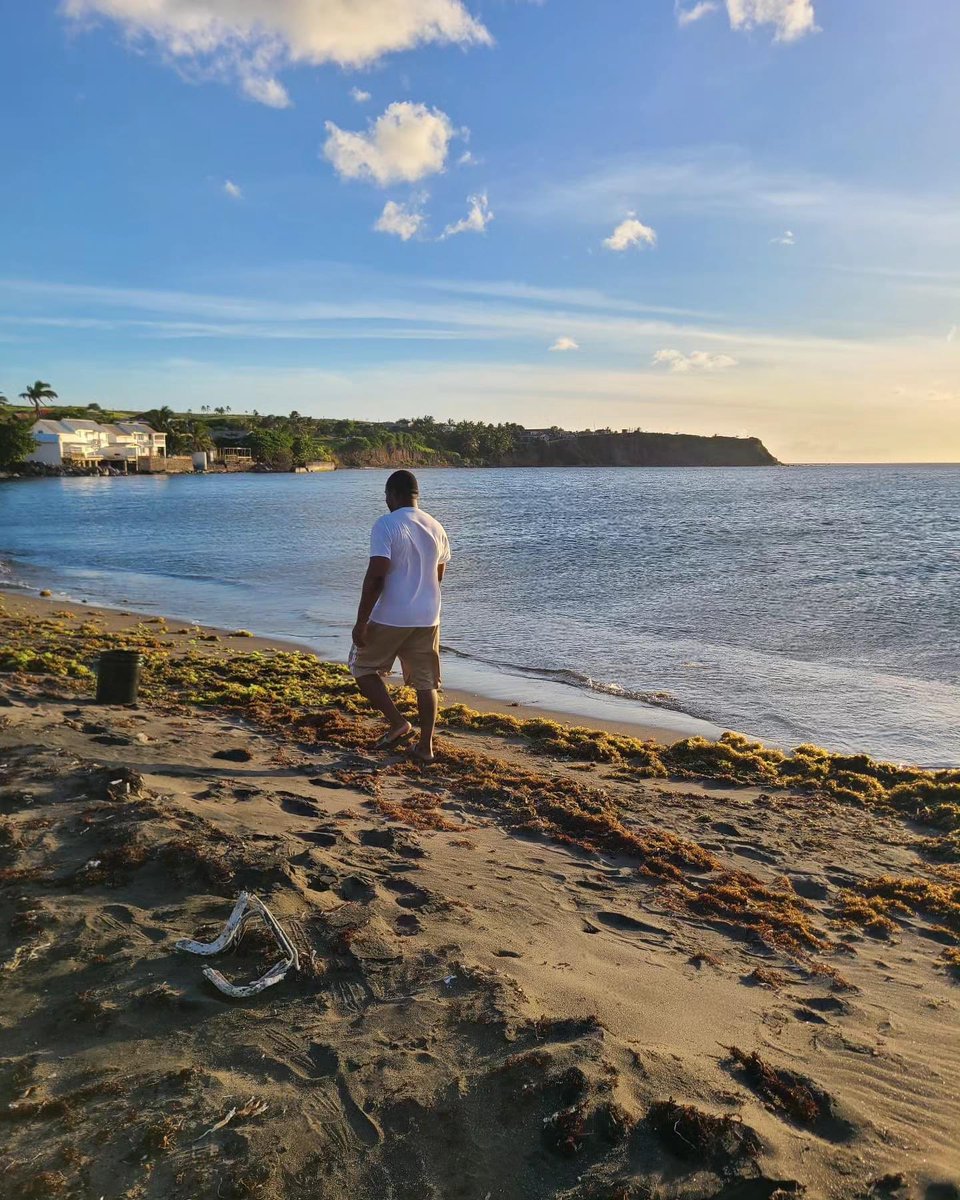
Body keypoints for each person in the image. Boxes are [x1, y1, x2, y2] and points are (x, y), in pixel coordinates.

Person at [349, 470, 451, 763]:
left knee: (361, 667)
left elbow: (377, 575)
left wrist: (361, 621)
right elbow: (438, 575)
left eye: (386, 496)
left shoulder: (386, 525)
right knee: (426, 682)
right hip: (428, 616)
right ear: (416, 496)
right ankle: (425, 747)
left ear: (392, 495)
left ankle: (398, 723)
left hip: (392, 615)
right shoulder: (436, 526)